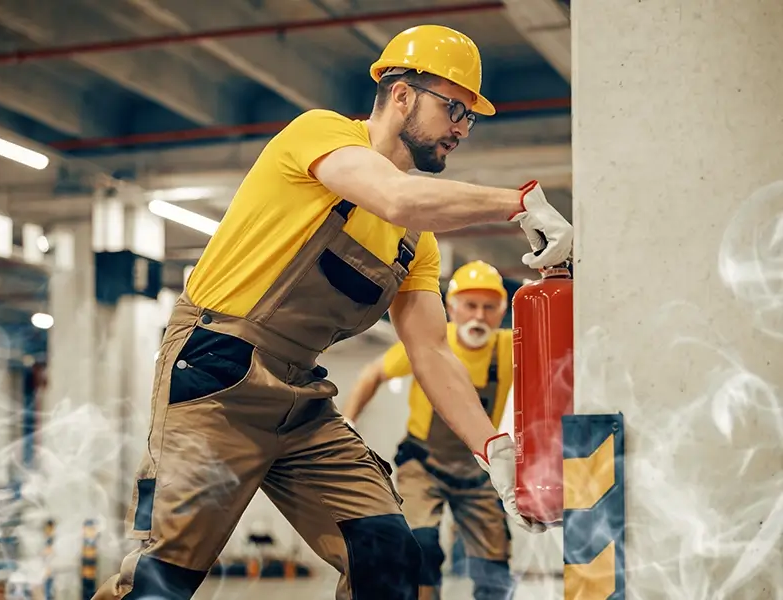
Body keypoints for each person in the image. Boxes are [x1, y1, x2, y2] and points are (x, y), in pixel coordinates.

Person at [93, 24, 567, 600]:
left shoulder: (415, 241)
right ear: (401, 95)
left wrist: (493, 448)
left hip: (299, 397)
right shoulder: (321, 135)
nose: (461, 130)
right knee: (160, 582)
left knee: (387, 553)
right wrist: (517, 204)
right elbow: (393, 195)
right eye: (454, 110)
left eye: (471, 117)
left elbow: (432, 351)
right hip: (216, 374)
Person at [341, 260, 518, 600]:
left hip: (480, 469)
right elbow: (372, 373)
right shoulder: (432, 343)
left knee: (492, 564)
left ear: (502, 310)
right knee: (420, 546)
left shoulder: (510, 349)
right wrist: (348, 422)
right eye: (470, 305)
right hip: (424, 464)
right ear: (451, 307)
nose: (478, 316)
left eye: (488, 307)